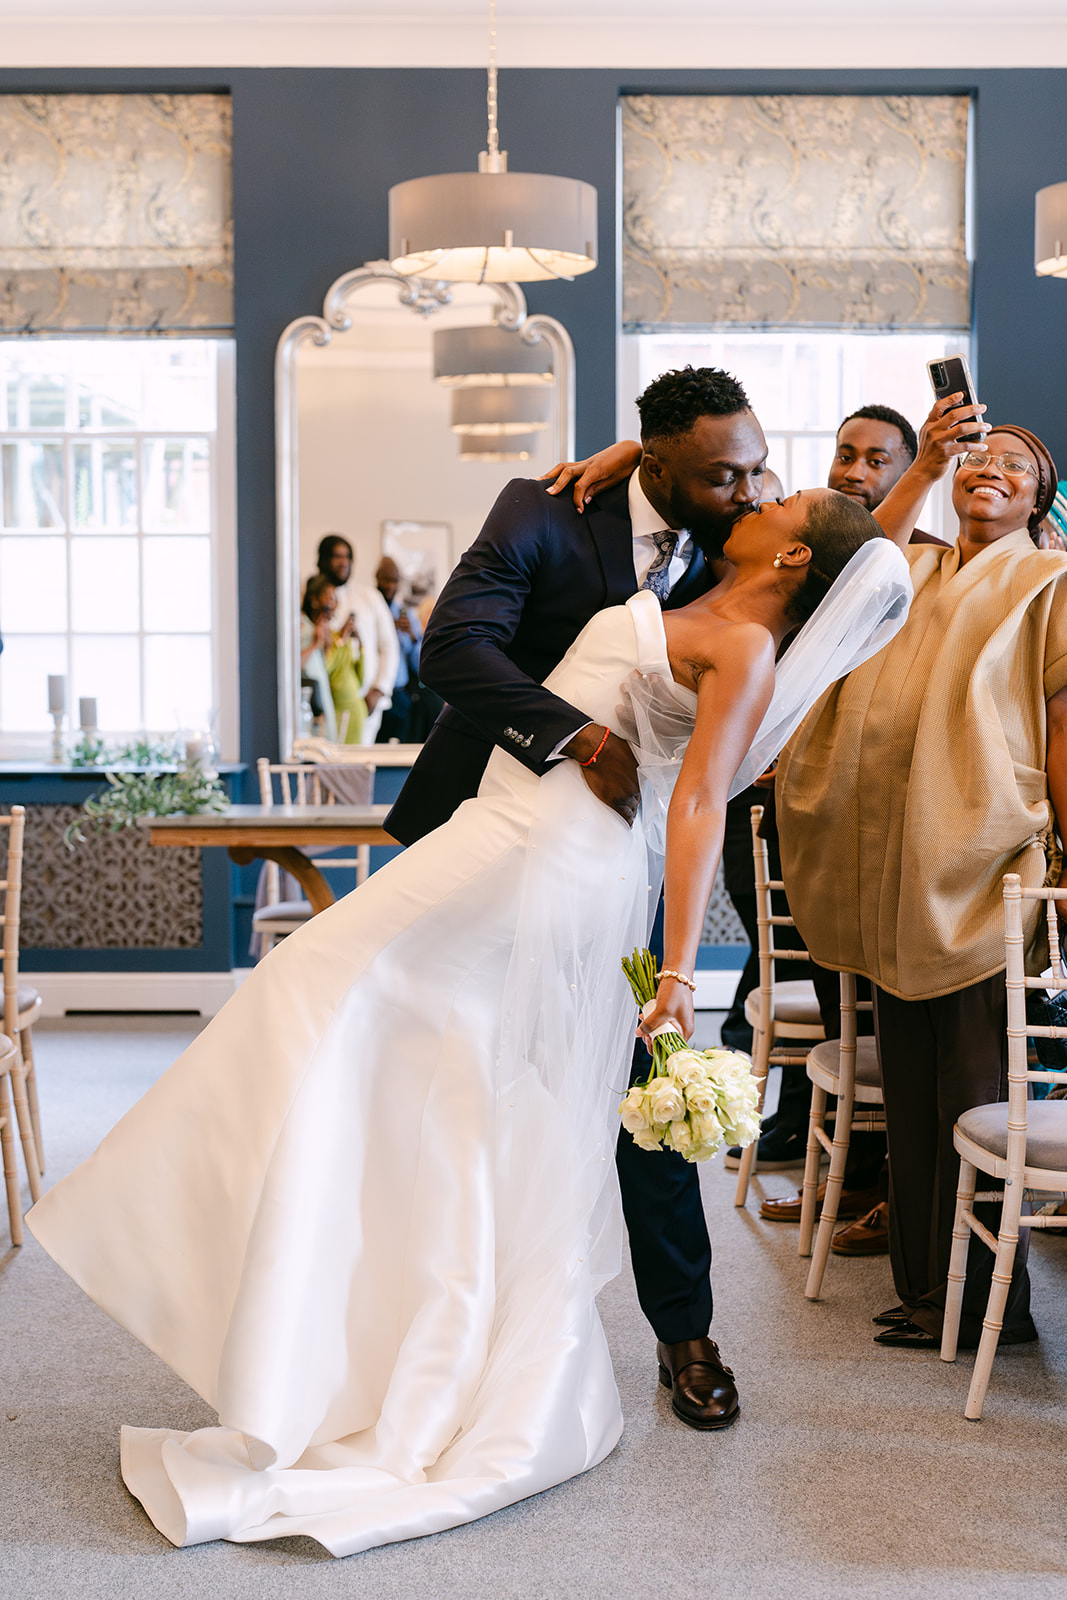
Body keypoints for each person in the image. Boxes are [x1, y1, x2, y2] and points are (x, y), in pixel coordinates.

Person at [27, 484, 907, 1556]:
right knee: (440, 1080)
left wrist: (677, 975)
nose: (765, 493)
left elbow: (698, 800)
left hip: (543, 855)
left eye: (789, 500)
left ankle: (295, 1297)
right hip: (513, 825)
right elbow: (835, 555)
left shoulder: (746, 648)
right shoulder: (700, 587)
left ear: (789, 561)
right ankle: (371, 1329)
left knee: (322, 984)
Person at [386, 367, 768, 1430]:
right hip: (490, 832)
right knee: (455, 1075)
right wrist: (576, 735)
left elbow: (827, 529)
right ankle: (431, 1317)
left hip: (616, 859)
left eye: (749, 468)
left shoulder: (733, 532)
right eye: (718, 473)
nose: (743, 488)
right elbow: (451, 648)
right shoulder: (544, 512)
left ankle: (683, 1334)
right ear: (655, 463)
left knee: (643, 1083)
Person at [776, 396, 1067, 1352]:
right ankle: (921, 1288)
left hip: (986, 862)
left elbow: (1062, 725)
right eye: (980, 457)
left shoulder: (1049, 581)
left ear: (1039, 499)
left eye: (1015, 465)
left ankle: (994, 1300)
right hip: (897, 866)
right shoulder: (911, 563)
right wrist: (925, 464)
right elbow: (844, 565)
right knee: (906, 1088)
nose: (993, 469)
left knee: (974, 1086)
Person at [316, 536, 400, 744]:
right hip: (322, 705)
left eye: (347, 557)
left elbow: (389, 647)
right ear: (322, 560)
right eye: (337, 556)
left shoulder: (369, 597)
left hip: (365, 701)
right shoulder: (309, 597)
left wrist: (379, 690)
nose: (343, 562)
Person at [374, 555, 424, 743]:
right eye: (385, 579)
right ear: (377, 579)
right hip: (375, 690)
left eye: (394, 581)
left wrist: (412, 636)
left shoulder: (406, 615)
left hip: (400, 693)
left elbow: (420, 666)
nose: (389, 586)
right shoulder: (372, 611)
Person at [300, 574, 339, 742]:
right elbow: (295, 665)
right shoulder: (301, 625)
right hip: (310, 701)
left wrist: (326, 644)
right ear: (314, 599)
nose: (332, 603)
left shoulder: (318, 627)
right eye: (329, 597)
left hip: (323, 695)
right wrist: (315, 644)